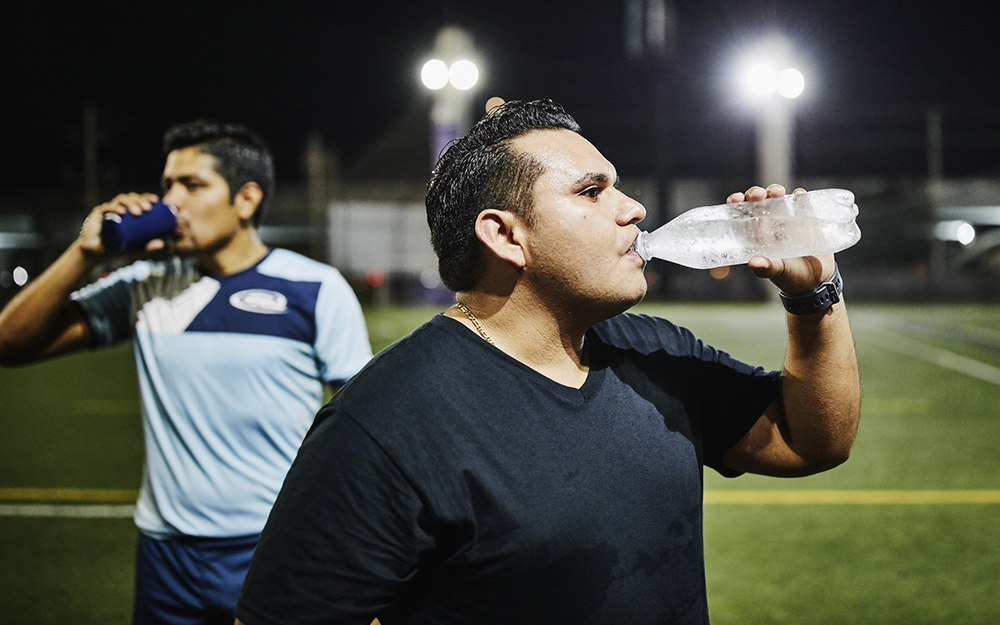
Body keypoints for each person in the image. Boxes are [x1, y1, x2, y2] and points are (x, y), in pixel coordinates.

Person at [233, 99, 860, 625]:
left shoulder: (655, 352)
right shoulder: (387, 421)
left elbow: (811, 442)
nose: (634, 208)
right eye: (592, 192)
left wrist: (813, 297)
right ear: (505, 235)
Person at [0, 120, 373, 624]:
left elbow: (365, 430)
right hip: (164, 555)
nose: (172, 200)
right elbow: (9, 341)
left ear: (246, 199)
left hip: (273, 546)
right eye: (168, 184)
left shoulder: (315, 288)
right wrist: (84, 253)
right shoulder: (145, 284)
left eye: (193, 185)